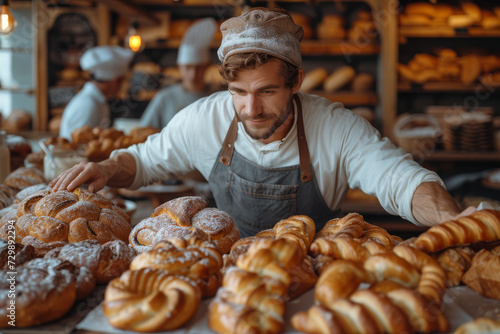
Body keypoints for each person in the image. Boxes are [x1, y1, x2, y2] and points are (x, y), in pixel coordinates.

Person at [51, 8, 473, 237]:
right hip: (230, 284)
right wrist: (107, 167)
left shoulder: (335, 127)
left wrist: (458, 225)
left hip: (313, 289)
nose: (251, 109)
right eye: (239, 92)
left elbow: (404, 181)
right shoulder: (205, 118)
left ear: (295, 84)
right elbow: (143, 161)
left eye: (267, 92)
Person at [139, 18, 218, 129]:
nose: (193, 74)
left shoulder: (217, 99)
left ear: (207, 66)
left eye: (198, 68)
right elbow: (143, 133)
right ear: (179, 67)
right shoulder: (164, 98)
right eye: (188, 68)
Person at [59, 46, 134, 140]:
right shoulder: (87, 104)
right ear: (115, 82)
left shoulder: (99, 101)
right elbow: (78, 145)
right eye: (124, 81)